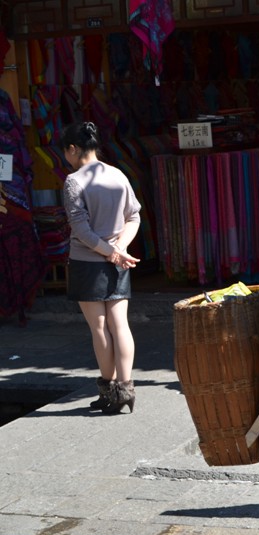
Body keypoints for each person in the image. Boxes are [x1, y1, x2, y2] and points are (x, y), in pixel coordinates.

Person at [60, 122, 141, 414]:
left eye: (65, 152)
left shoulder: (74, 181)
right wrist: (120, 250)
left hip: (87, 262)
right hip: (119, 261)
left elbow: (81, 230)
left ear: (73, 149)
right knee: (120, 324)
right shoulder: (117, 174)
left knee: (99, 329)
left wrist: (111, 252)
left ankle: (109, 391)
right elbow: (134, 217)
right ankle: (126, 388)